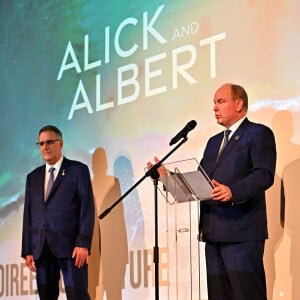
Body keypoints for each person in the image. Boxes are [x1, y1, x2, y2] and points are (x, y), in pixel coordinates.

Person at [148, 83, 276, 300]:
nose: (215, 108)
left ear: (239, 104)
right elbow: (201, 183)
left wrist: (233, 191)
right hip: (213, 233)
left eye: (221, 101)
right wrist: (167, 178)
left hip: (241, 234)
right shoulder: (213, 142)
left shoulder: (257, 133)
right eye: (214, 103)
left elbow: (264, 174)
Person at [21, 125, 95, 300]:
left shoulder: (78, 170)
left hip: (72, 248)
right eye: (41, 144)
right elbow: (29, 215)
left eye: (49, 142)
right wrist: (28, 250)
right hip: (42, 248)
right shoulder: (33, 177)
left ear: (60, 143)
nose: (45, 147)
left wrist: (83, 243)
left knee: (78, 296)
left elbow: (87, 208)